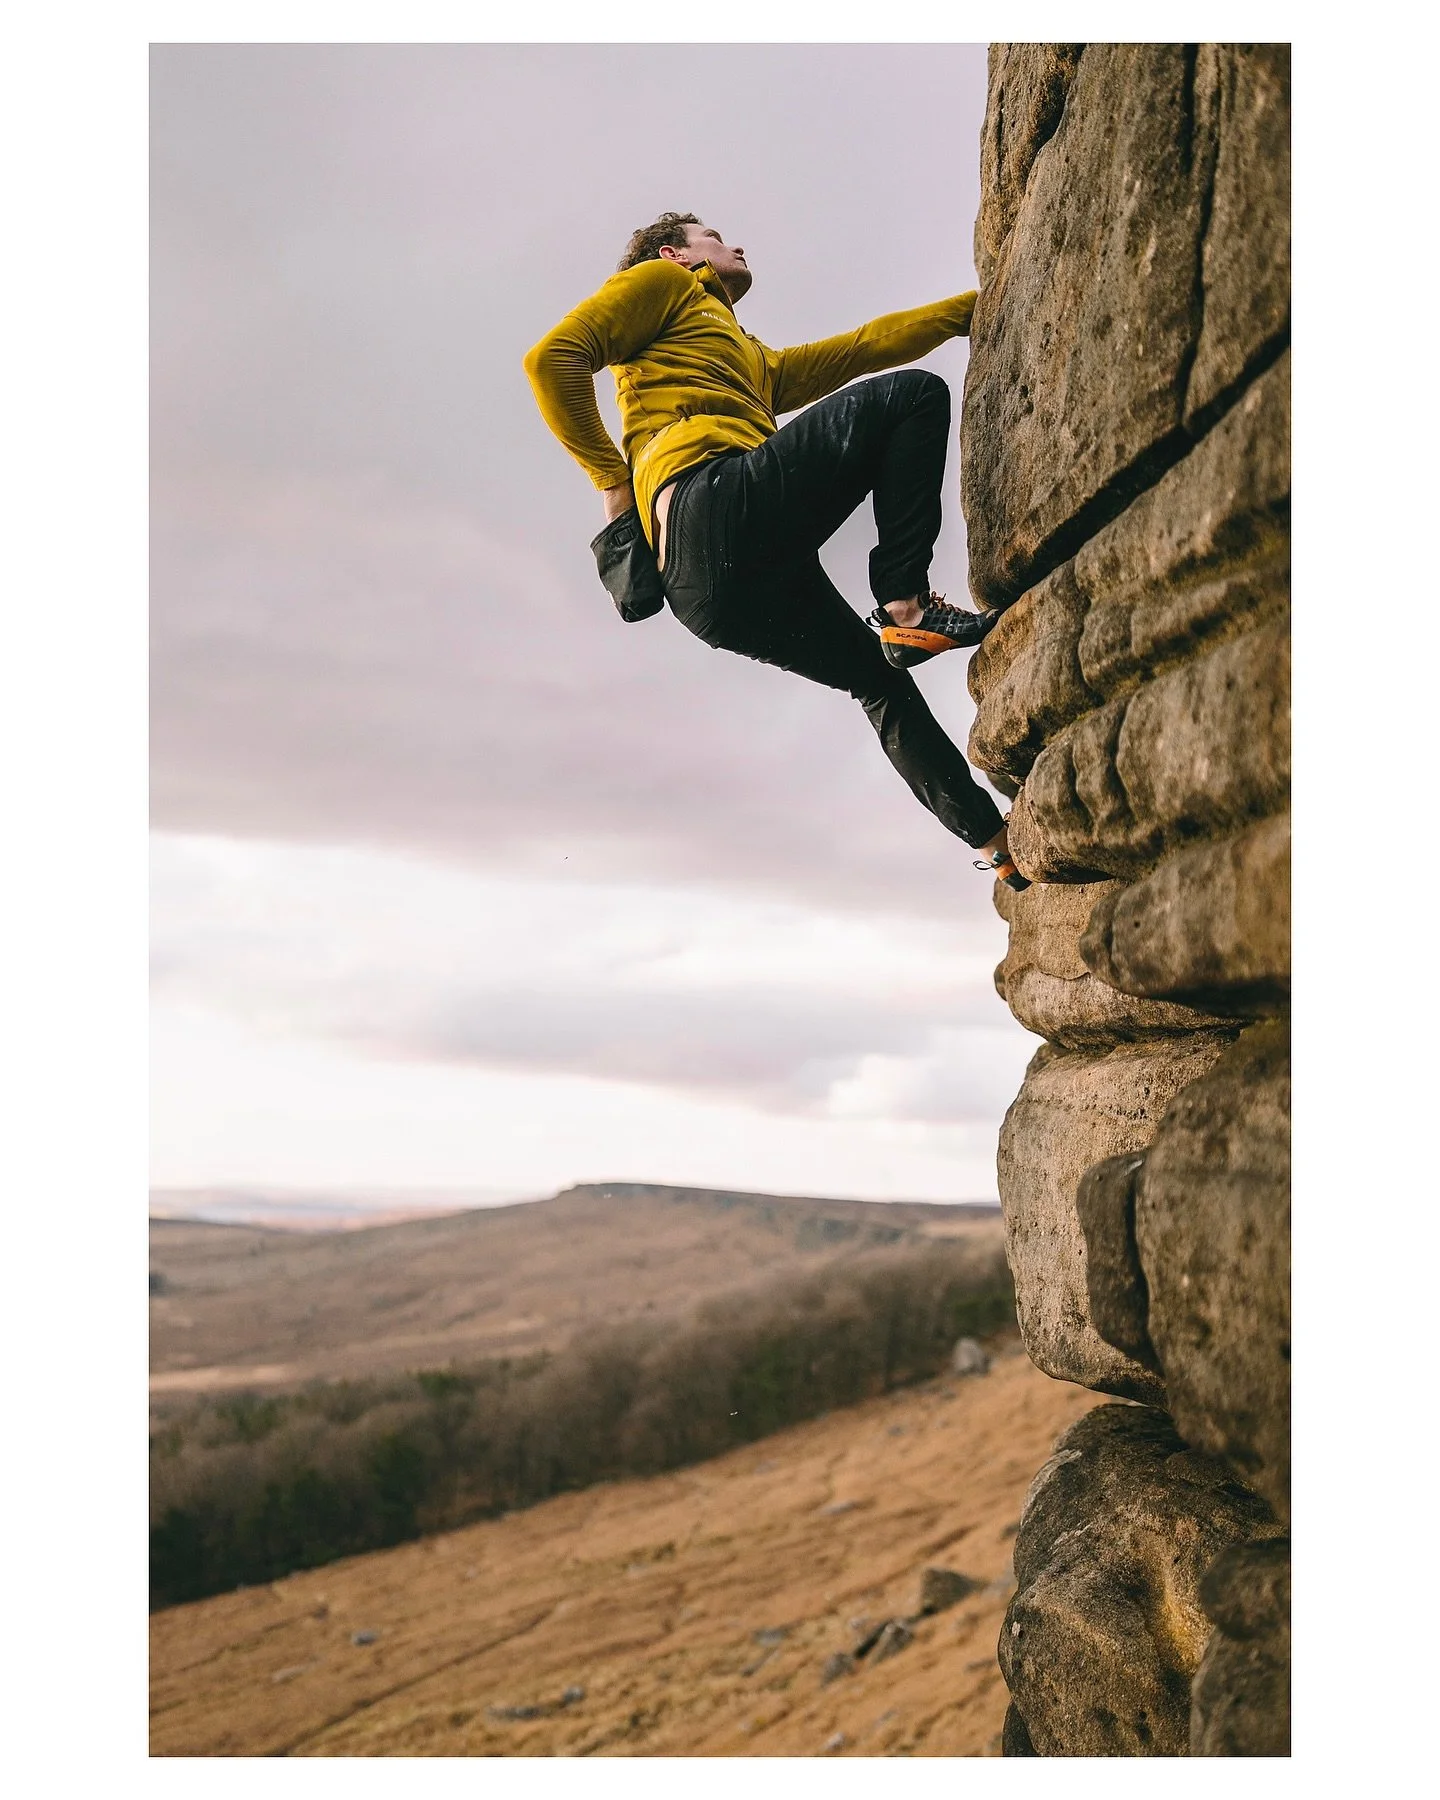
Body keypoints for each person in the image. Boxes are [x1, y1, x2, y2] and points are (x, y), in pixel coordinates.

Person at [522, 210, 1027, 890]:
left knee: (877, 683)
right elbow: (552, 360)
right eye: (713, 236)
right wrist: (613, 484)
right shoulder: (660, 283)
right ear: (676, 254)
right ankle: (906, 606)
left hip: (709, 594)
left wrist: (978, 307)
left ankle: (1000, 847)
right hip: (712, 504)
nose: (734, 244)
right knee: (913, 399)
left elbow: (861, 347)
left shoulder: (749, 361)